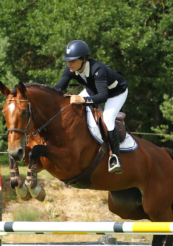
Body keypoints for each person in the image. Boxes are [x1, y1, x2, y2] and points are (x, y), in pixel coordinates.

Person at [55, 40, 128, 174]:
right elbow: (58, 88)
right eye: (67, 60)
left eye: (73, 60)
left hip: (116, 92)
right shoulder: (71, 69)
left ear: (83, 59)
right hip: (94, 90)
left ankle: (115, 157)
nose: (69, 63)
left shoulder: (98, 69)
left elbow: (103, 97)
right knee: (73, 107)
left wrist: (82, 99)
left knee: (107, 118)